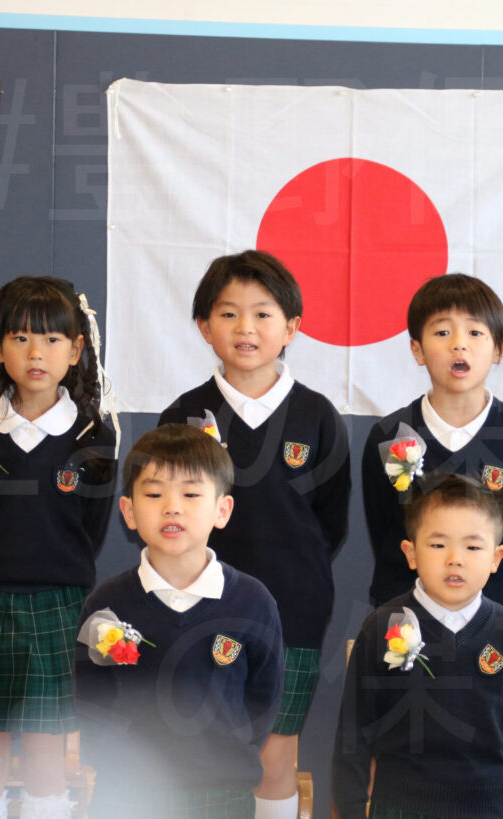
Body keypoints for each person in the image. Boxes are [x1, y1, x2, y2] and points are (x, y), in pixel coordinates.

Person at [157, 249, 350, 819]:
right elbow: (164, 516)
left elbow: (331, 523)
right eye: (228, 314)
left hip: (293, 614)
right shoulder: (184, 415)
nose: (246, 328)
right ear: (203, 326)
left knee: (274, 759)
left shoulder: (318, 416)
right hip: (195, 614)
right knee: (198, 754)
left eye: (263, 314)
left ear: (291, 328)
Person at [0, 277, 118, 819]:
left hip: (58, 605)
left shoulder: (94, 436)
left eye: (51, 339)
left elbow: (91, 529)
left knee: (48, 748)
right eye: (20, 338)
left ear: (76, 348)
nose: (36, 353)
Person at [74, 423, 283, 818]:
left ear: (222, 510)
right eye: (154, 494)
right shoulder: (107, 604)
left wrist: (226, 755)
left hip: (221, 793)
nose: (172, 507)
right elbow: (90, 697)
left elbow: (263, 699)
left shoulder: (252, 601)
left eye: (191, 493)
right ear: (129, 512)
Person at [334, 474, 503, 819]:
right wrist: (352, 811)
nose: (455, 559)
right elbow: (352, 735)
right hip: (401, 809)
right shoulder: (381, 627)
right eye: (437, 545)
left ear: (497, 557)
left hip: (489, 810)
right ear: (410, 552)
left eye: (472, 547)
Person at [362, 273, 503, 616]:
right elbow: (383, 526)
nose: (459, 345)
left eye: (475, 332)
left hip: (498, 611)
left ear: (499, 349)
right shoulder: (389, 436)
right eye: (442, 332)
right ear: (417, 349)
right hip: (406, 614)